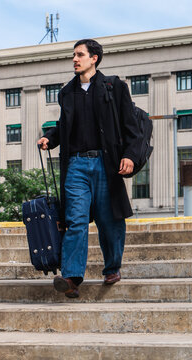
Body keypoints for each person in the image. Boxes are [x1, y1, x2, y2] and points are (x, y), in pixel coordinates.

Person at [37, 38, 141, 298]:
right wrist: (51, 137)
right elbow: (64, 126)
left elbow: (131, 126)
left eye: (80, 54)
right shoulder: (67, 93)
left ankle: (112, 268)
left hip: (106, 164)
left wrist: (130, 155)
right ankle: (71, 278)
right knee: (75, 221)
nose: (75, 59)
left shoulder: (113, 87)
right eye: (73, 55)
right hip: (76, 166)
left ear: (94, 58)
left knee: (110, 219)